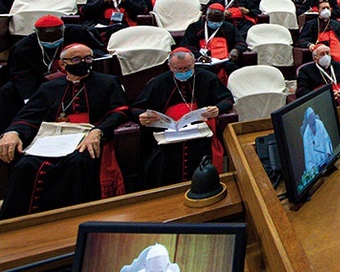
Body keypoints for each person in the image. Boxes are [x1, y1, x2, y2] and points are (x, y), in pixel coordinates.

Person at [0, 44, 129, 219]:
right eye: (76, 59)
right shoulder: (49, 88)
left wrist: (98, 131)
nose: (83, 63)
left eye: (88, 58)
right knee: (25, 166)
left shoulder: (107, 82)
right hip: (52, 138)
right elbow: (29, 116)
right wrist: (13, 132)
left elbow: (119, 111)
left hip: (86, 137)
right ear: (62, 64)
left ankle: (71, 218)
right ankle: (18, 222)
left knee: (77, 163)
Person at [131, 48, 233, 188]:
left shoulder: (207, 78)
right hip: (167, 136)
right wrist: (141, 116)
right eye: (178, 69)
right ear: (170, 67)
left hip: (201, 133)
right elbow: (136, 108)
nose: (184, 72)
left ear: (194, 64)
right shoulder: (159, 82)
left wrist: (217, 108)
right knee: (159, 158)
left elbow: (227, 99)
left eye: (187, 68)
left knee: (202, 151)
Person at [0, 15, 106, 131]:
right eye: (47, 39)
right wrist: (30, 99)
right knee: (7, 91)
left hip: (79, 75)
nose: (51, 41)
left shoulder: (77, 33)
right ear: (36, 33)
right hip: (40, 83)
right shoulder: (23, 48)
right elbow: (21, 75)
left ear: (63, 29)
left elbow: (99, 52)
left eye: (55, 37)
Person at [297, 1, 340, 69]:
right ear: (318, 10)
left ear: (331, 9)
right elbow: (302, 40)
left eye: (327, 8)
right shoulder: (310, 24)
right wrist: (310, 45)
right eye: (323, 8)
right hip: (320, 52)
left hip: (337, 50)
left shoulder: (338, 24)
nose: (326, 10)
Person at [302, 107, 333, 173]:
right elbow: (307, 154)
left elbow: (326, 139)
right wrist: (312, 168)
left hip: (326, 160)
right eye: (311, 116)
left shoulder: (320, 124)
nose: (314, 118)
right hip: (316, 167)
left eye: (314, 115)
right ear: (308, 120)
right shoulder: (306, 135)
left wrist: (328, 153)